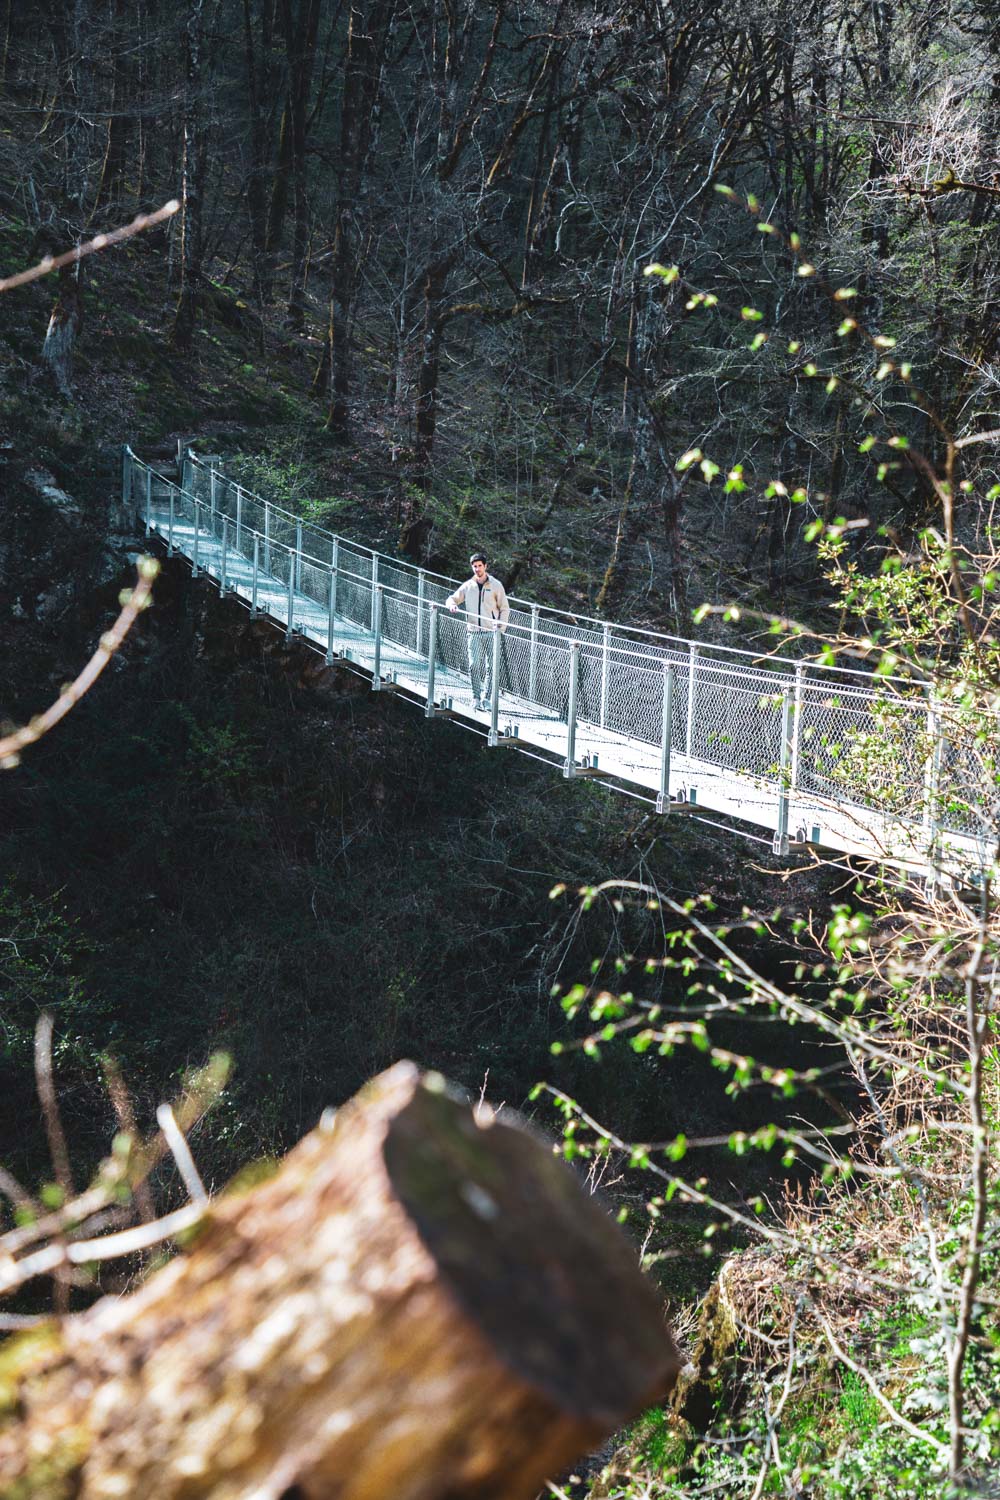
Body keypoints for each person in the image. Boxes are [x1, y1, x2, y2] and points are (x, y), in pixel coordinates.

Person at [446, 552, 510, 710]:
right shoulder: (468, 586)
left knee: (491, 667)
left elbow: (504, 608)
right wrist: (452, 605)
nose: (477, 569)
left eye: (480, 566)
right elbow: (452, 598)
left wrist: (500, 628)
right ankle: (475, 697)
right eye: (474, 566)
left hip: (491, 632)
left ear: (485, 566)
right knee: (474, 665)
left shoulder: (496, 585)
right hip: (473, 631)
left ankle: (486, 698)